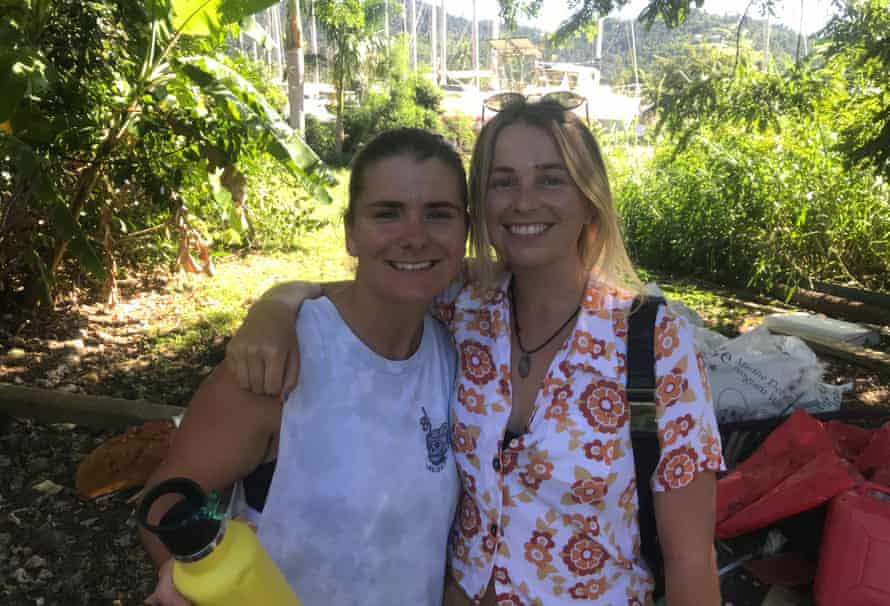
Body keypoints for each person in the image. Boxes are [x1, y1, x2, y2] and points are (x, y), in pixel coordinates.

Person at [227, 100, 724, 606]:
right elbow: (366, 282)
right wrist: (275, 303)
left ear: (588, 197)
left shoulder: (656, 344)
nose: (523, 202)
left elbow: (690, 562)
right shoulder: (463, 305)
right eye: (503, 181)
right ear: (481, 204)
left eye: (551, 179)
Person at [138, 127, 468, 606]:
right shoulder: (277, 360)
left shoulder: (455, 346)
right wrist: (183, 576)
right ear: (351, 233)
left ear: (465, 232)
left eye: (438, 214)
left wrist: (283, 294)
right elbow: (168, 500)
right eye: (387, 214)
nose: (414, 237)